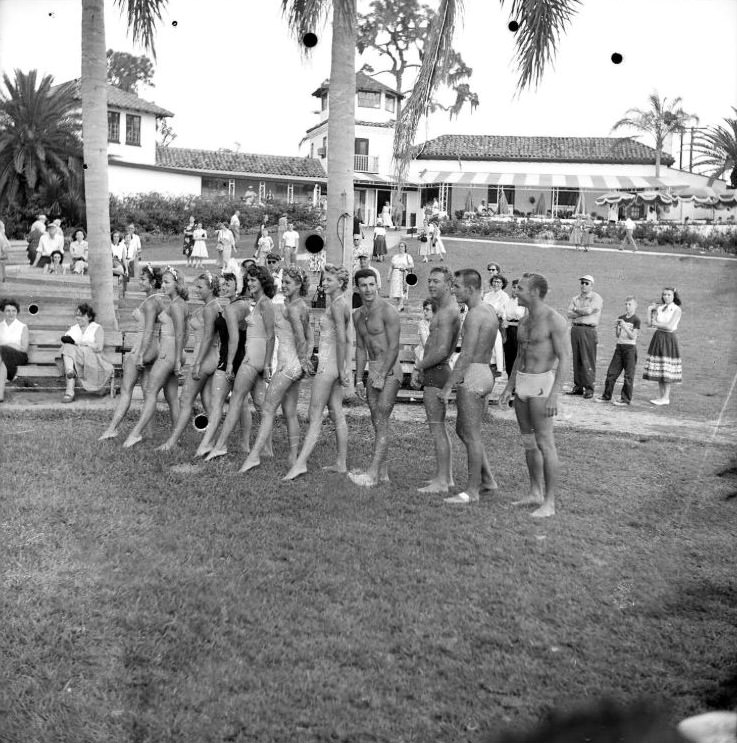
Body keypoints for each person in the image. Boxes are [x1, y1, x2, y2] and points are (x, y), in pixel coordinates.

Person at [499, 273, 569, 518]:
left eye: (521, 289)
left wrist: (554, 395)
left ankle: (549, 503)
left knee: (545, 444)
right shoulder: (525, 319)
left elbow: (565, 360)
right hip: (523, 386)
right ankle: (535, 492)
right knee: (529, 444)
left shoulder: (554, 320)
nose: (516, 292)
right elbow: (519, 356)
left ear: (536, 292)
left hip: (542, 386)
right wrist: (509, 386)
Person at [240, 266, 314, 473]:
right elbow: (310, 336)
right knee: (289, 412)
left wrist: (302, 361)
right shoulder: (297, 305)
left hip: (289, 365)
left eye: (289, 283)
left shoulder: (292, 308)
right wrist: (305, 360)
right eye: (283, 282)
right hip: (293, 364)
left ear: (299, 284)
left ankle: (255, 456)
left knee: (267, 409)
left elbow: (301, 338)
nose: (284, 286)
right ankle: (293, 457)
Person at [284, 264, 352, 480]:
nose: (324, 283)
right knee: (336, 412)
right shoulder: (336, 304)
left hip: (328, 365)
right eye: (324, 279)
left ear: (340, 283)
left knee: (315, 415)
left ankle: (301, 463)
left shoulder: (339, 305)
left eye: (329, 280)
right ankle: (341, 463)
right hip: (330, 363)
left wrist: (342, 368)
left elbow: (343, 338)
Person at [438, 269, 499, 504]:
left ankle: (472, 492)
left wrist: (447, 387)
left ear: (471, 289)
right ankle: (487, 480)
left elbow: (465, 356)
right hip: (484, 372)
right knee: (463, 430)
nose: (453, 290)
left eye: (457, 287)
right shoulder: (488, 310)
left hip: (473, 374)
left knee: (472, 435)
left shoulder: (474, 315)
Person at [205, 265, 276, 461]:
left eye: (255, 280)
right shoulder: (256, 302)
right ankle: (267, 449)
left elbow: (271, 336)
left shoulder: (266, 303)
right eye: (249, 280)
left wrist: (268, 364)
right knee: (261, 405)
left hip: (255, 360)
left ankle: (220, 446)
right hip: (252, 358)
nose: (251, 283)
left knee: (237, 400)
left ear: (264, 281)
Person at [100, 265, 177, 440]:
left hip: (145, 347)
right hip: (155, 348)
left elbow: (148, 331)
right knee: (147, 392)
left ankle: (112, 428)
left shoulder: (151, 302)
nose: (139, 282)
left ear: (152, 282)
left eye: (143, 279)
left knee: (126, 389)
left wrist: (140, 354)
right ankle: (149, 433)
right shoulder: (160, 300)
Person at [157, 272, 223, 452]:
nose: (197, 290)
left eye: (201, 287)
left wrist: (198, 364)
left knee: (185, 399)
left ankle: (172, 442)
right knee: (208, 402)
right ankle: (215, 443)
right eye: (196, 286)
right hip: (211, 358)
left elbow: (209, 338)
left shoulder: (210, 309)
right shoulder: (211, 306)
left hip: (205, 358)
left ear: (211, 288)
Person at [123, 267, 189, 448]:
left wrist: (176, 361)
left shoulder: (176, 305)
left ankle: (135, 433)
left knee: (151, 392)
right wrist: (180, 355)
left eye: (167, 282)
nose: (163, 285)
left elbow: (182, 335)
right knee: (171, 396)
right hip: (174, 353)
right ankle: (176, 439)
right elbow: (186, 333)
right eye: (164, 282)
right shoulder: (178, 303)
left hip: (168, 354)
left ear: (177, 284)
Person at [348, 268, 401, 487]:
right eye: (363, 285)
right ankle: (383, 473)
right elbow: (360, 348)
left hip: (390, 370)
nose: (368, 289)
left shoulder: (388, 311)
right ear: (357, 287)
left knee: (380, 417)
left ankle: (371, 474)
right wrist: (359, 379)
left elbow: (395, 347)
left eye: (371, 284)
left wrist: (381, 374)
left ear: (377, 285)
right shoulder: (357, 315)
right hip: (373, 370)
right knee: (377, 421)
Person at [412, 266, 461, 494]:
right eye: (429, 280)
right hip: (436, 371)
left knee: (437, 429)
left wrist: (418, 366)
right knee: (438, 428)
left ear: (449, 284)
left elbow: (441, 350)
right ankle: (446, 477)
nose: (431, 285)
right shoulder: (444, 308)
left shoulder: (448, 311)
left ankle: (442, 481)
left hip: (437, 371)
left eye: (437, 281)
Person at [192, 272, 244, 458]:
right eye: (221, 285)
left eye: (228, 284)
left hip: (237, 360)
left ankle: (252, 446)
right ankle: (208, 444)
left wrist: (230, 364)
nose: (224, 288)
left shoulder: (238, 306)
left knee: (256, 404)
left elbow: (236, 338)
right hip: (225, 359)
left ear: (237, 285)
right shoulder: (225, 307)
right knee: (218, 403)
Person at [60, 303, 114, 402]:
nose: (78, 318)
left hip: (92, 357)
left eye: (81, 315)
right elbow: (65, 341)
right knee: (67, 347)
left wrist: (80, 343)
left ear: (89, 317)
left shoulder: (96, 328)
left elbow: (99, 347)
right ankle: (69, 372)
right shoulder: (74, 328)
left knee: (69, 351)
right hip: (76, 358)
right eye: (77, 315)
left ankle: (69, 391)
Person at [597, 296, 641, 406]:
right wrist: (617, 327)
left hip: (630, 349)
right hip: (619, 347)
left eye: (630, 304)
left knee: (628, 375)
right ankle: (606, 396)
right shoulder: (621, 317)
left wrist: (625, 326)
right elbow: (618, 335)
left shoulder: (636, 320)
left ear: (635, 306)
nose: (627, 306)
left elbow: (633, 336)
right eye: (626, 304)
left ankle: (625, 399)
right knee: (611, 373)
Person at [643, 287, 682, 406]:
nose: (666, 297)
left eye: (669, 295)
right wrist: (649, 310)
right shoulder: (660, 308)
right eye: (664, 294)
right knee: (659, 367)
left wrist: (657, 324)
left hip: (668, 338)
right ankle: (661, 396)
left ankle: (666, 397)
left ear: (673, 296)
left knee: (666, 368)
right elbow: (650, 323)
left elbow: (669, 326)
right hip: (658, 337)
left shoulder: (676, 309)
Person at [566, 274, 602, 399]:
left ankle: (589, 387)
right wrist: (580, 311)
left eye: (586, 283)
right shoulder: (575, 298)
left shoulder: (596, 297)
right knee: (577, 359)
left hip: (588, 329)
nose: (583, 285)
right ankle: (578, 386)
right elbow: (569, 314)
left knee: (587, 358)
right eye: (582, 283)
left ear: (592, 285)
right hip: (576, 328)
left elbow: (589, 311)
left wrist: (576, 310)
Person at [0, 299, 29, 402]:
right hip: (3, 357)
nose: (11, 313)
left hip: (19, 356)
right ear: (2, 312)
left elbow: (24, 349)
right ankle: (0, 396)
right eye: (8, 310)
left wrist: (9, 344)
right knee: (2, 362)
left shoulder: (22, 327)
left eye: (14, 310)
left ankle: (10, 377)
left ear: (17, 312)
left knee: (1, 349)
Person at [483, 273, 510, 377]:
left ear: (502, 284)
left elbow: (505, 312)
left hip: (497, 322)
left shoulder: (504, 296)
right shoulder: (487, 296)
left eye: (498, 282)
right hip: (486, 322)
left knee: (496, 345)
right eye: (494, 281)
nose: (496, 284)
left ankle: (497, 367)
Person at [502, 278, 526, 379]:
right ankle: (509, 379)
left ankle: (518, 381)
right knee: (508, 356)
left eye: (518, 288)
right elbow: (504, 317)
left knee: (518, 356)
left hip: (519, 330)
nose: (515, 290)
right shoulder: (507, 302)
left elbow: (525, 320)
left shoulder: (524, 303)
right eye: (514, 287)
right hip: (508, 331)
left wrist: (511, 323)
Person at [388, 240, 414, 312]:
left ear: (405, 248)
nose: (401, 248)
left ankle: (400, 305)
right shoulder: (395, 257)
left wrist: (405, 267)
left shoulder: (408, 256)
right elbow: (391, 266)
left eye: (402, 246)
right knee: (396, 290)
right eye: (399, 246)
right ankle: (400, 305)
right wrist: (389, 275)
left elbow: (412, 265)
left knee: (402, 290)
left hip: (403, 274)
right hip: (395, 274)